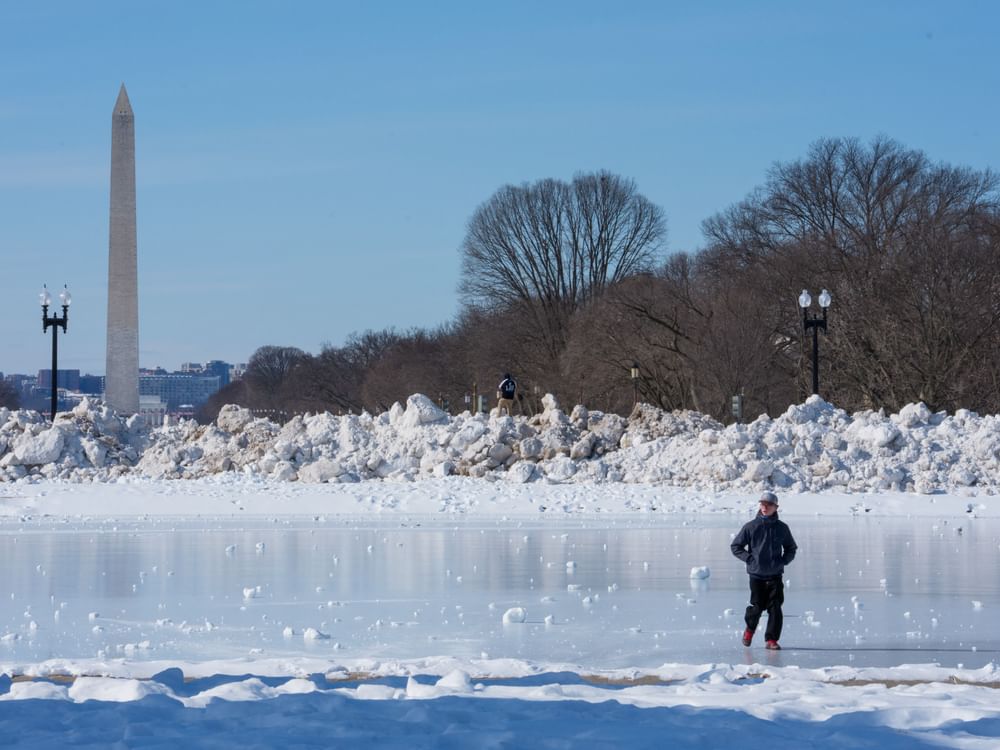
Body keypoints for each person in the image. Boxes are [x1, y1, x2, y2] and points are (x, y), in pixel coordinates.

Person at [730, 490, 797, 650]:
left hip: (775, 575)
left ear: (776, 507)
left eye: (768, 505)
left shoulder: (782, 528)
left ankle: (771, 640)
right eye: (762, 504)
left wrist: (783, 561)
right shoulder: (751, 527)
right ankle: (749, 630)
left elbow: (791, 548)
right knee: (757, 607)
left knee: (775, 608)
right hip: (757, 575)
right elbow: (736, 546)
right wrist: (750, 559)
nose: (764, 507)